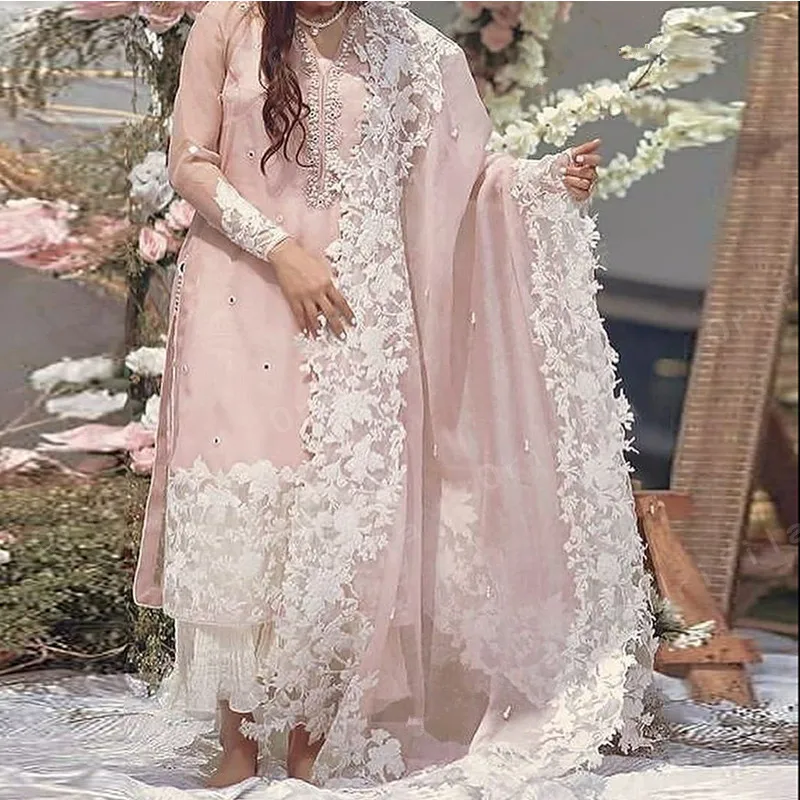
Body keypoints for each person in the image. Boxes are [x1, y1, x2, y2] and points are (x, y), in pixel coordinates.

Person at [132, 0, 656, 793]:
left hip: (358, 311)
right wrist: (281, 250)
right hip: (238, 290)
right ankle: (235, 743)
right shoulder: (230, 21)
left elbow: (464, 178)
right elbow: (190, 161)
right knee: (245, 502)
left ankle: (310, 744)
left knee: (335, 522)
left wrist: (541, 183)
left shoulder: (412, 47)